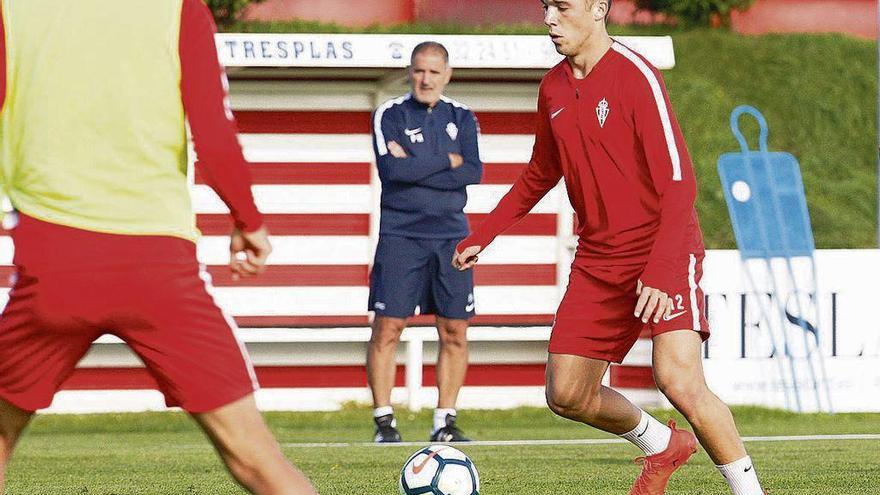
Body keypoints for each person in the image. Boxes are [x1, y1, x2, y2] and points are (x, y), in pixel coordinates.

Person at [0, 1, 316, 494]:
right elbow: (212, 132)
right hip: (157, 269)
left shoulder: (14, 10)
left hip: (53, 264)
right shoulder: (178, 9)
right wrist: (248, 221)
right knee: (257, 460)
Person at [453, 1, 767, 494]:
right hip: (598, 259)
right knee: (567, 393)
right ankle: (664, 445)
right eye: (545, 7)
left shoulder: (636, 76)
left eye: (562, 6)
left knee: (678, 380)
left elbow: (679, 182)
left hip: (663, 245)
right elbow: (540, 173)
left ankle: (751, 491)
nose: (549, 19)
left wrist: (663, 269)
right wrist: (483, 233)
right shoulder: (552, 86)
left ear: (599, 8)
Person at [367, 41, 483, 443]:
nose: (426, 78)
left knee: (454, 330)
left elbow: (473, 171)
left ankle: (445, 423)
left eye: (434, 71)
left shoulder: (463, 117)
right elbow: (391, 171)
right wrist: (444, 161)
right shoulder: (389, 114)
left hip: (452, 237)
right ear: (409, 72)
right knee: (388, 327)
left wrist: (416, 163)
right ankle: (385, 422)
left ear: (447, 75)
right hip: (400, 235)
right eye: (419, 70)